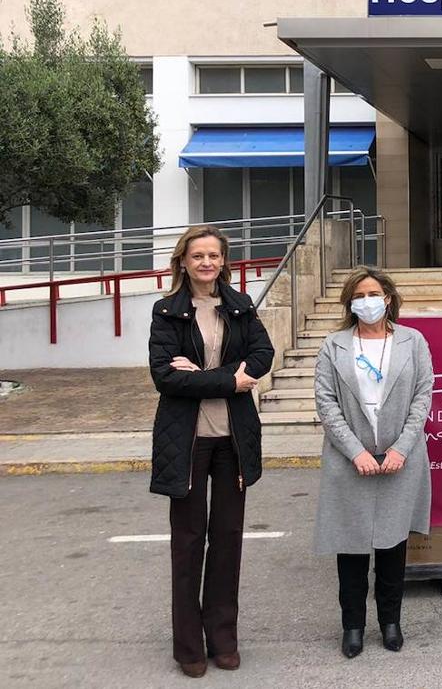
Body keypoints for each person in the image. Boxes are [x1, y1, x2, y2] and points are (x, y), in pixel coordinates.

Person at [148, 225, 274, 678]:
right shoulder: (167, 313)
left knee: (227, 541)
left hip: (232, 440)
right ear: (183, 260)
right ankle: (188, 648)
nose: (206, 263)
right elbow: (165, 376)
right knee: (187, 544)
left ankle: (223, 638)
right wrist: (227, 380)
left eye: (214, 256)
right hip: (186, 442)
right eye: (197, 255)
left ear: (224, 261)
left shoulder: (240, 307)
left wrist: (200, 374)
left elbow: (263, 354)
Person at [312, 267, 434, 658]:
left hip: (401, 458)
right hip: (351, 460)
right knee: (350, 548)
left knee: (392, 546)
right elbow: (326, 403)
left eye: (374, 293)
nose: (367, 301)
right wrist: (357, 452)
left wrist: (401, 448)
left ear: (388, 298)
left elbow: (422, 397)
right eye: (360, 294)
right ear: (350, 301)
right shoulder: (334, 345)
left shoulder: (413, 342)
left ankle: (390, 622)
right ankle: (352, 626)